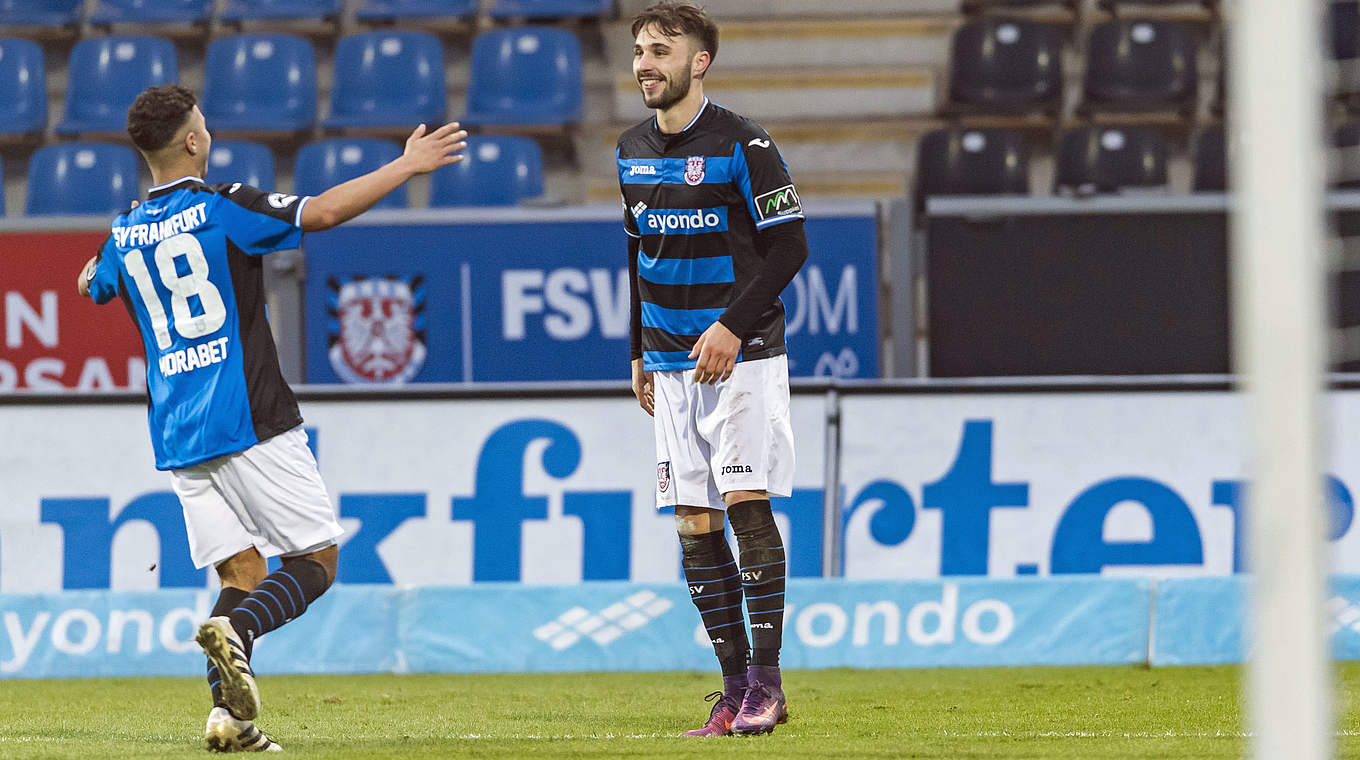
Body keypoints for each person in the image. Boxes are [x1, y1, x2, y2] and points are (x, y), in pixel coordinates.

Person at [76, 84, 467, 752]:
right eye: (204, 122)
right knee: (317, 561)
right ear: (193, 140)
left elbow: (95, 282)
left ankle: (227, 720)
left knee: (242, 576)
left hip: (177, 433)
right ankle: (241, 633)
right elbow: (319, 213)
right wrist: (405, 167)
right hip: (247, 414)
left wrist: (91, 276)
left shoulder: (125, 229)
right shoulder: (221, 206)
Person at [617, 1, 809, 738]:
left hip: (743, 359)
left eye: (661, 50)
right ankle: (731, 693)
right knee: (695, 523)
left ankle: (768, 684)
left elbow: (790, 245)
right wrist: (636, 351)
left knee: (746, 502)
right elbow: (637, 254)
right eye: (639, 49)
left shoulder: (745, 142)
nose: (645, 63)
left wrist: (732, 325)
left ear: (699, 62)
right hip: (668, 367)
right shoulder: (630, 147)